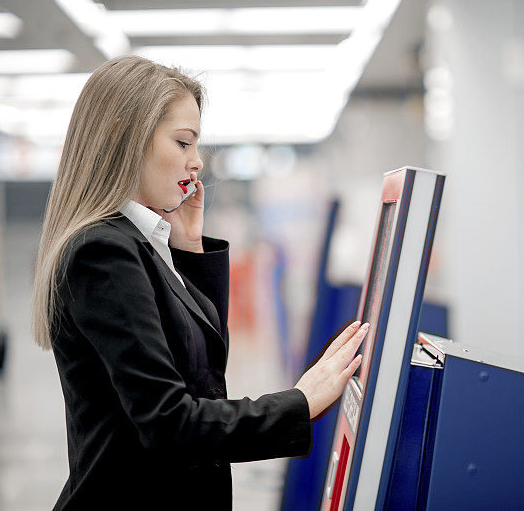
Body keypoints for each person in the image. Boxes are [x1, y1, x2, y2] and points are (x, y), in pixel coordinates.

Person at [30, 55, 367, 510]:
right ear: (126, 139)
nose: (198, 162)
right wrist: (298, 403)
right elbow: (172, 423)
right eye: (183, 142)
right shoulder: (103, 252)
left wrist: (189, 250)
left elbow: (201, 376)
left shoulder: (141, 243)